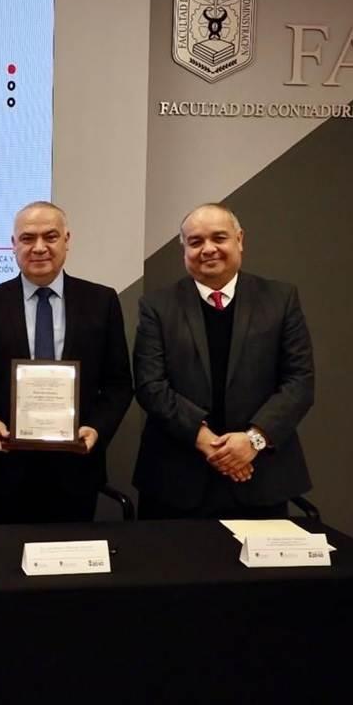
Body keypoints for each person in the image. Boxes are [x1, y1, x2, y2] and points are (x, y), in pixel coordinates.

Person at [132, 202, 315, 519]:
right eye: (195, 242)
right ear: (184, 249)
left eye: (219, 238)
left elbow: (299, 383)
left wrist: (252, 442)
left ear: (240, 240)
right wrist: (205, 440)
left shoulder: (280, 299)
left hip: (259, 475)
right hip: (176, 479)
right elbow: (150, 386)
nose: (208, 249)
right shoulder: (157, 306)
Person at [0, 201, 133, 523]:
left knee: (68, 564)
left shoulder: (102, 301)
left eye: (50, 236)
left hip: (76, 469)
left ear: (67, 240)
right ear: (13, 245)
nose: (39, 247)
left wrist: (96, 429)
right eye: (27, 238)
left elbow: (119, 383)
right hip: (5, 470)